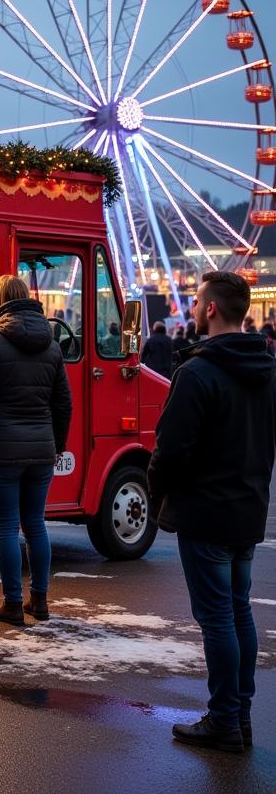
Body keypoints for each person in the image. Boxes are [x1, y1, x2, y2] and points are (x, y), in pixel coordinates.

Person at [148, 270, 276, 754]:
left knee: (217, 617)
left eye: (198, 299)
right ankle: (238, 714)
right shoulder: (267, 370)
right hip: (247, 507)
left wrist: (159, 494)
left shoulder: (198, 373)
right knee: (238, 610)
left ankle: (224, 717)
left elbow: (171, 447)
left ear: (212, 309)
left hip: (204, 511)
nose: (195, 306)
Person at [0, 275, 72, 625]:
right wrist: (57, 443)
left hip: (1, 447)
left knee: (6, 527)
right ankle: (39, 601)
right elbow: (64, 404)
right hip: (41, 448)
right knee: (35, 524)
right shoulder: (52, 345)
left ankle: (12, 603)